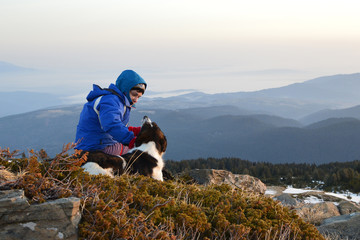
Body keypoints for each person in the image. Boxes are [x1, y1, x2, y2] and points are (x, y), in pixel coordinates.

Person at [75, 70, 147, 156]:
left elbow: (118, 125)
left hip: (96, 144)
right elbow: (112, 124)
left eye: (139, 97)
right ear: (125, 89)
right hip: (94, 148)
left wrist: (136, 131)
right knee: (138, 152)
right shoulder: (110, 101)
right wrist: (131, 140)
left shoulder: (117, 101)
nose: (136, 99)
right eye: (134, 94)